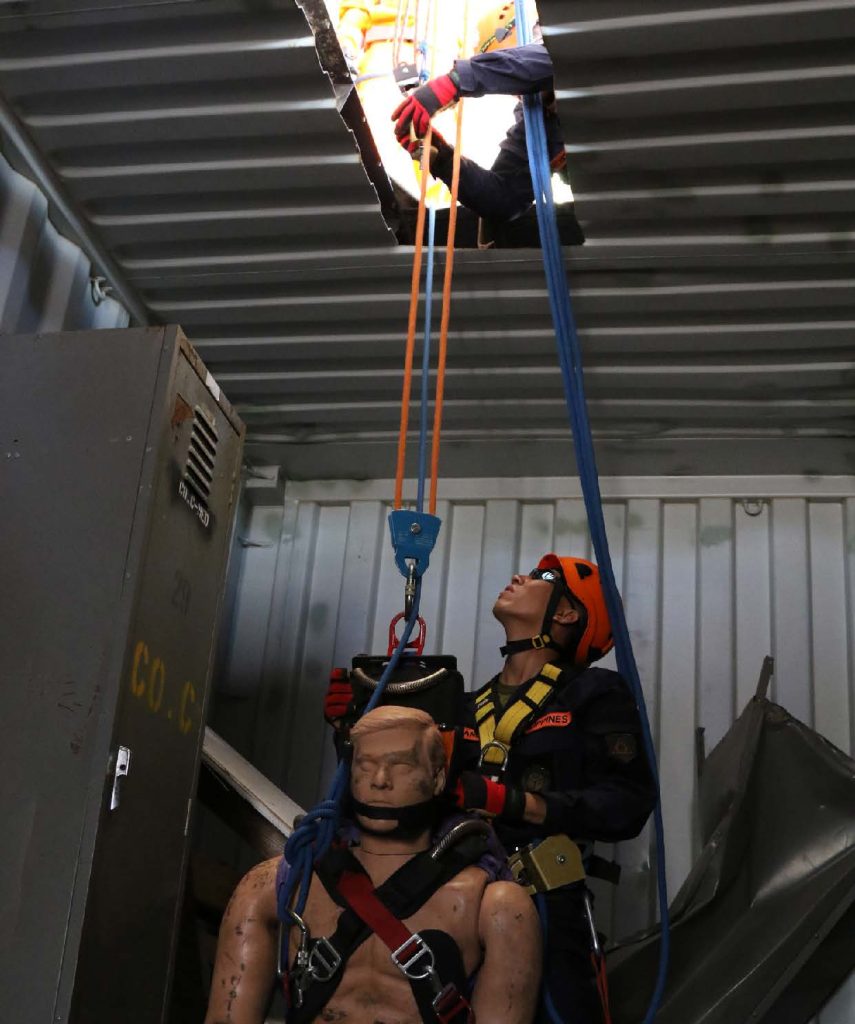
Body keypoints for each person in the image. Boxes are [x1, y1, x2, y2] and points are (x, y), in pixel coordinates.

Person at [204, 705, 541, 1024]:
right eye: (365, 765)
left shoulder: (494, 907)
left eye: (402, 765)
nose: (380, 779)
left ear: (438, 777)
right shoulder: (274, 885)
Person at [453, 554, 657, 1023]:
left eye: (544, 578)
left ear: (568, 614)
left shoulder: (595, 693)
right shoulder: (463, 706)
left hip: (545, 909)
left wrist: (516, 803)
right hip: (455, 903)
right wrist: (353, 733)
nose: (519, 577)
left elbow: (628, 803)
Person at [390, 2, 568, 224]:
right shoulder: (537, 121)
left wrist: (454, 82)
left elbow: (556, 58)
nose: (518, 94)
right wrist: (442, 159)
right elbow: (503, 200)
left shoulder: (581, 40)